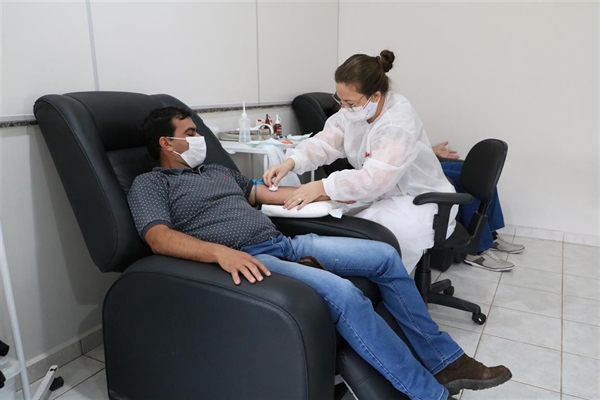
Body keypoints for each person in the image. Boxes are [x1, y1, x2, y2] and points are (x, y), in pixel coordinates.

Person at [127, 107, 512, 400]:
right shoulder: (151, 184)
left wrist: (317, 191)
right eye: (190, 133)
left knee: (384, 256)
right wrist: (218, 254)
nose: (199, 140)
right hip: (251, 259)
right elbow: (158, 238)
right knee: (347, 295)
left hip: (286, 243)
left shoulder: (215, 172)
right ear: (166, 142)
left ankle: (445, 361)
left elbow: (261, 193)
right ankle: (428, 394)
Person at [263, 50, 457, 274]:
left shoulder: (397, 123)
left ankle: (382, 297)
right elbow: (326, 141)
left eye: (349, 102)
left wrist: (321, 186)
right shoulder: (355, 110)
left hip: (419, 199)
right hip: (384, 193)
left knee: (372, 241)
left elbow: (375, 179)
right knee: (336, 225)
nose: (344, 107)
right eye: (340, 100)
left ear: (375, 96)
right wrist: (292, 162)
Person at [432, 142, 525, 272]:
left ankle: (491, 236)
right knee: (471, 181)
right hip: (412, 168)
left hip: (423, 160)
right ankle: (477, 250)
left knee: (483, 175)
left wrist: (432, 150)